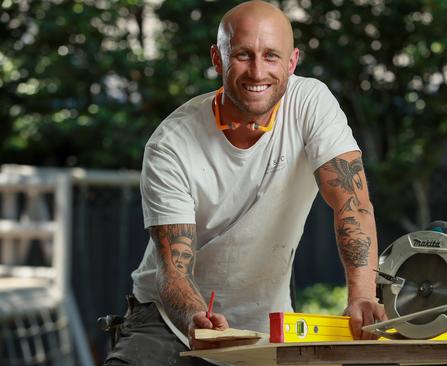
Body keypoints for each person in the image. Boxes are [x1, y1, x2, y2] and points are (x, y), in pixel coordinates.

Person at [104, 1, 387, 365]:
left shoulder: (310, 104)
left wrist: (362, 296)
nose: (257, 71)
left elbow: (353, 205)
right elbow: (171, 270)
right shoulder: (170, 144)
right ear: (217, 59)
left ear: (292, 62)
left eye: (271, 56)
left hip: (267, 320)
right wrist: (195, 318)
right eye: (242, 55)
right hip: (170, 320)